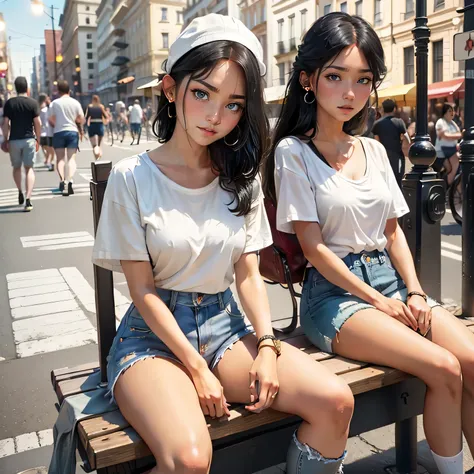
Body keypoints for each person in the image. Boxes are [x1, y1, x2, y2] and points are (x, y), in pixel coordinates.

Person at [92, 14, 353, 474]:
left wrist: (268, 347)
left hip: (224, 326)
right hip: (151, 340)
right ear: (171, 89)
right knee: (191, 462)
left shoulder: (240, 179)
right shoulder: (132, 178)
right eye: (202, 93)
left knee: (335, 401)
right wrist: (195, 368)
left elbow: (248, 274)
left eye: (234, 104)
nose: (216, 116)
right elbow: (142, 290)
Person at [264, 12, 473, 474]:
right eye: (335, 76)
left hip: (391, 284)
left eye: (362, 80)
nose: (350, 93)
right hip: (337, 297)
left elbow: (393, 233)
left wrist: (414, 291)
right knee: (443, 368)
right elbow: (314, 249)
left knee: (471, 360)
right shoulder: (293, 153)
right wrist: (379, 300)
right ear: (308, 79)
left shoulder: (374, 150)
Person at [2, 77, 41, 212]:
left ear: (16, 87)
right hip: (29, 139)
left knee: (16, 168)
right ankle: (28, 198)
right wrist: (38, 140)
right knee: (29, 169)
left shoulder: (9, 104)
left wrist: (5, 140)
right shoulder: (32, 103)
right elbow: (38, 123)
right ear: (27, 88)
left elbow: (5, 123)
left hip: (14, 140)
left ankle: (19, 190)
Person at [49, 80, 85, 196]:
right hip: (72, 131)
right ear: (69, 90)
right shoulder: (75, 103)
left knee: (60, 159)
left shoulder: (54, 103)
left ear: (58, 91)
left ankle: (62, 180)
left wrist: (57, 124)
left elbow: (51, 119)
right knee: (71, 159)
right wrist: (75, 121)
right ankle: (69, 180)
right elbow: (81, 118)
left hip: (59, 132)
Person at [372, 99, 410, 186]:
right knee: (398, 180)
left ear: (383, 109)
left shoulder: (377, 124)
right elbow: (406, 138)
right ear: (394, 109)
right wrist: (407, 150)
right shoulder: (399, 122)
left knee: (385, 181)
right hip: (397, 155)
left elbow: (376, 141)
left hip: (383, 156)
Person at [435, 103, 462, 186]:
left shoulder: (452, 123)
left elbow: (459, 134)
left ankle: (445, 186)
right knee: (452, 169)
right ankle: (447, 186)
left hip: (451, 149)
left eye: (453, 111)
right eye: (449, 111)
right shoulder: (441, 122)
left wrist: (456, 136)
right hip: (443, 150)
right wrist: (457, 136)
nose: (452, 113)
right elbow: (445, 136)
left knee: (451, 169)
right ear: (444, 112)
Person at [85, 95, 107, 160]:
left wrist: (85, 126)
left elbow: (86, 117)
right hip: (100, 124)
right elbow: (105, 116)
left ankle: (96, 155)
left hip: (92, 125)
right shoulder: (101, 107)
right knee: (99, 144)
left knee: (94, 145)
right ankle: (99, 153)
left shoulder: (89, 107)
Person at [38, 93, 55, 171]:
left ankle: (50, 160)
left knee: (48, 147)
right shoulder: (46, 109)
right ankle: (50, 160)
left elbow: (40, 122)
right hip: (49, 131)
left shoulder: (43, 109)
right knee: (49, 147)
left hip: (47, 131)